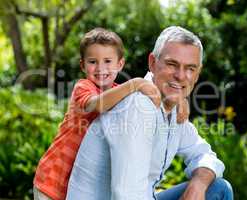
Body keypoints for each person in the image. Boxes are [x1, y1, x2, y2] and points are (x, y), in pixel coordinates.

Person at [66, 26, 233, 200]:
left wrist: (199, 183)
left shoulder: (174, 109)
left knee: (218, 188)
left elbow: (204, 154)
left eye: (190, 68)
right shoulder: (138, 106)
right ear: (152, 63)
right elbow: (126, 194)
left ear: (198, 74)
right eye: (172, 64)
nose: (181, 76)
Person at [33, 27, 189, 200]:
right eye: (93, 62)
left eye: (108, 61)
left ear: (119, 64)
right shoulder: (83, 87)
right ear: (82, 65)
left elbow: (155, 96)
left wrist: (179, 101)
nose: (101, 68)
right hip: (52, 182)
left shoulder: (120, 93)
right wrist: (135, 83)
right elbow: (97, 105)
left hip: (75, 184)